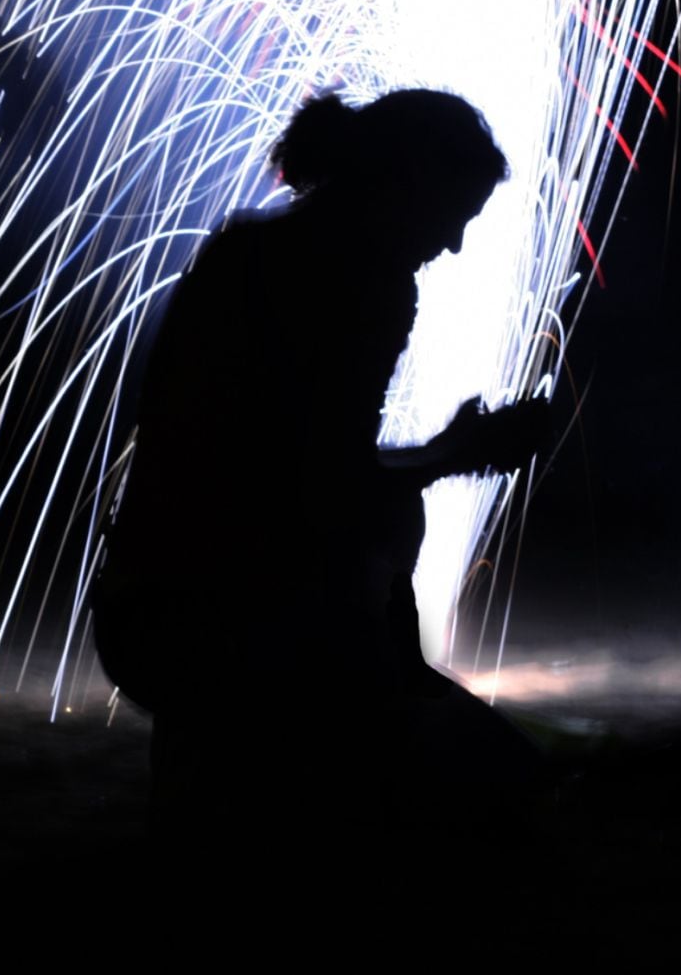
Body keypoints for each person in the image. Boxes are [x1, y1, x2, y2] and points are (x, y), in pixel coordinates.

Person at [93, 88, 546, 860]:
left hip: (159, 607)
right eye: (455, 215)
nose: (456, 245)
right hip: (223, 625)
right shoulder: (360, 285)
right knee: (492, 794)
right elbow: (315, 492)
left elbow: (301, 471)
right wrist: (450, 455)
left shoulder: (250, 253)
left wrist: (437, 457)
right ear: (403, 185)